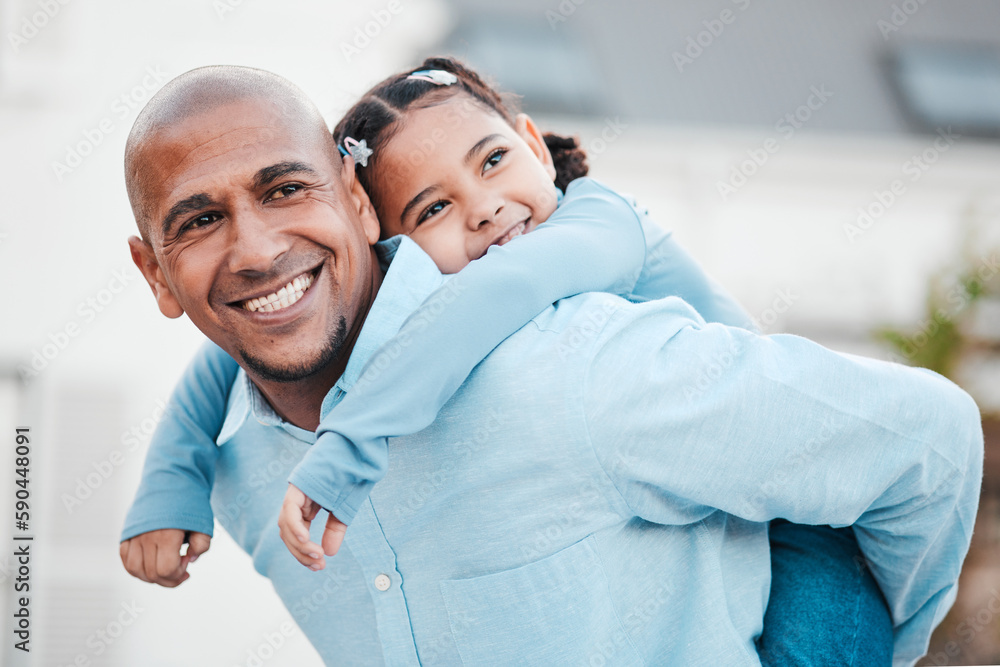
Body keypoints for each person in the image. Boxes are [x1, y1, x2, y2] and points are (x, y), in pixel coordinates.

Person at [120, 63, 982, 665]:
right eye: (198, 222)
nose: (259, 248)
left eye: (284, 189)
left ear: (352, 204)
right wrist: (168, 484)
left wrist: (881, 641)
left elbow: (931, 440)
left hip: (804, 539)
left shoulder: (566, 344)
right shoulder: (240, 473)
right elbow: (218, 372)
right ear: (155, 273)